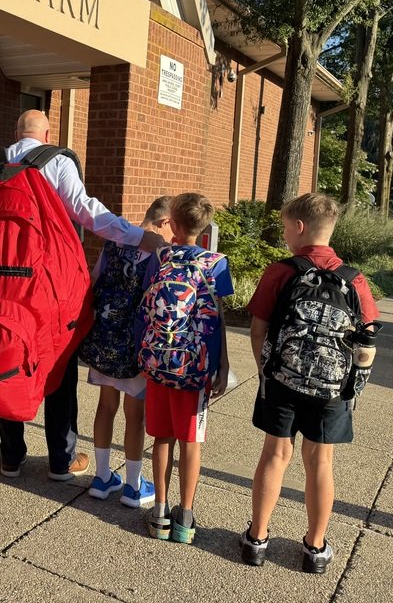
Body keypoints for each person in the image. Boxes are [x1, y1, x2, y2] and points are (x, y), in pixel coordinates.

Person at [0, 109, 166, 481]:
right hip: (48, 286)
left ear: (16, 132)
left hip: (1, 281)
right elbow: (86, 212)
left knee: (9, 356)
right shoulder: (56, 161)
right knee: (59, 365)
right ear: (48, 133)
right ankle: (60, 461)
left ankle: (11, 458)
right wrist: (138, 235)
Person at [241, 192, 380, 573]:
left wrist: (267, 371)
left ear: (299, 228)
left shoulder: (281, 272)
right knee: (320, 461)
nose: (285, 235)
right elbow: (367, 340)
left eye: (286, 228)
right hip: (331, 390)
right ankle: (315, 548)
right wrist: (352, 388)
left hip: (282, 382)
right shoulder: (354, 279)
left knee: (275, 454)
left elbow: (258, 330)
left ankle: (257, 539)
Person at [143, 193, 233, 543]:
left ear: (174, 225)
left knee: (162, 437)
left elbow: (147, 305)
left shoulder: (161, 256)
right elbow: (219, 317)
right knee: (190, 441)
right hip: (195, 370)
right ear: (205, 226)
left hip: (159, 361)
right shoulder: (217, 262)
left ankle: (160, 512)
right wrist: (222, 365)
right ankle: (186, 518)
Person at [86, 196, 175, 509]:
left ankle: (100, 477)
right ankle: (133, 486)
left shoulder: (115, 241)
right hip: (137, 347)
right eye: (171, 228)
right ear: (164, 221)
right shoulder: (160, 254)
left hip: (104, 341)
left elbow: (94, 282)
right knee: (134, 416)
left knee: (105, 406)